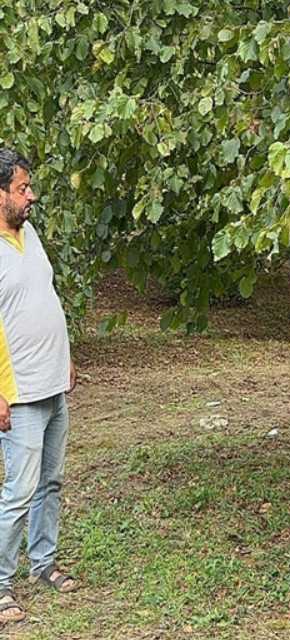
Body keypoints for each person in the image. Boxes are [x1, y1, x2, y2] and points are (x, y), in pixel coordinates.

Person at [0, 150, 80, 623]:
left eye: (29, 187)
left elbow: (46, 297)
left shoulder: (29, 233)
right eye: (22, 188)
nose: (31, 195)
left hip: (53, 383)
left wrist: (66, 358)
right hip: (21, 392)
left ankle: (43, 563)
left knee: (50, 481)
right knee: (19, 490)